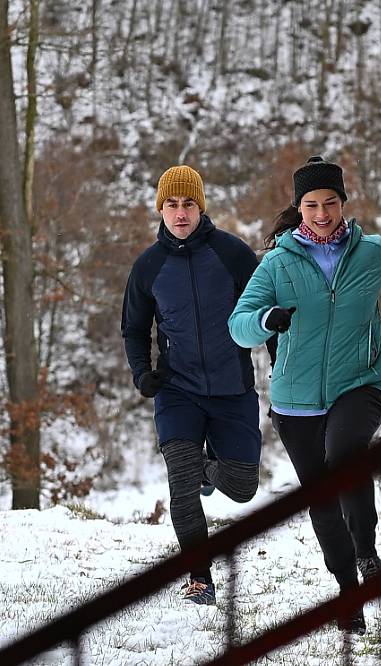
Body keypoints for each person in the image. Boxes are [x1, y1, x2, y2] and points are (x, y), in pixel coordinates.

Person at [228, 155, 381, 633]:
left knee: (346, 452)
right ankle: (348, 596)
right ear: (299, 208)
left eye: (330, 202)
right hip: (296, 400)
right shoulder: (277, 262)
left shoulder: (370, 253)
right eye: (311, 205)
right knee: (322, 499)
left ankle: (368, 550)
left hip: (362, 381)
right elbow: (239, 325)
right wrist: (267, 320)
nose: (322, 213)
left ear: (343, 203)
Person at [121, 165, 264, 606]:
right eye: (172, 204)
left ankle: (206, 467)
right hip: (177, 389)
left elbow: (267, 310)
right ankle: (200, 579)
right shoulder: (149, 266)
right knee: (181, 485)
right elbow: (133, 327)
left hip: (232, 387)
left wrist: (281, 365)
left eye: (188, 204)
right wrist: (142, 373)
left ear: (201, 207)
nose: (180, 213)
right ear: (160, 208)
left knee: (243, 487)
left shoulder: (233, 254)